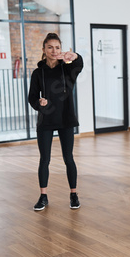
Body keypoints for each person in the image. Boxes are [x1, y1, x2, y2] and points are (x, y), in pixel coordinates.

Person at [28, 33, 84, 211]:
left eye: (57, 47)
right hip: (46, 120)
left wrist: (74, 56)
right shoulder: (38, 73)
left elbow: (79, 64)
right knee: (45, 159)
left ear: (61, 49)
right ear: (44, 50)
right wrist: (39, 103)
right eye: (50, 47)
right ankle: (43, 196)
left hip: (66, 119)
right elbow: (31, 98)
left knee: (69, 158)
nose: (54, 50)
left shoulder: (67, 69)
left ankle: (73, 195)